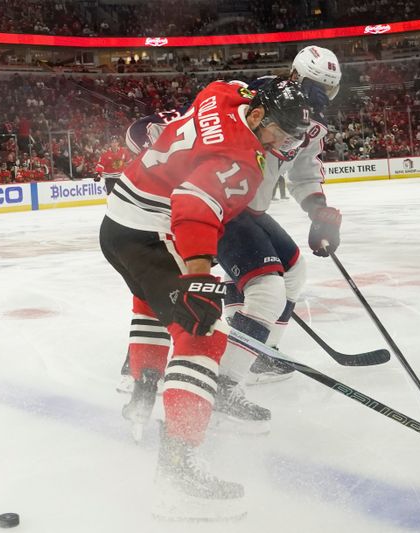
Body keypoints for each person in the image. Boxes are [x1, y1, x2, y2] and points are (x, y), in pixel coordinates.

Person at [99, 78, 311, 520]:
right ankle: (178, 476)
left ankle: (143, 391)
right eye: (279, 133)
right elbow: (194, 207)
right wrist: (197, 277)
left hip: (118, 225)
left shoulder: (222, 96)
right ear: (256, 117)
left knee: (150, 302)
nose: (282, 145)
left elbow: (224, 85)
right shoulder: (242, 160)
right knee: (202, 334)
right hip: (151, 233)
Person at [118, 46, 344, 426]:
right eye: (315, 89)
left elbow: (304, 172)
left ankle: (258, 350)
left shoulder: (312, 125)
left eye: (328, 92)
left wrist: (318, 210)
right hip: (218, 206)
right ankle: (221, 383)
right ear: (295, 76)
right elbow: (185, 127)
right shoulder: (253, 94)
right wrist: (151, 135)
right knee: (267, 290)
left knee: (293, 273)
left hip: (248, 210)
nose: (320, 100)